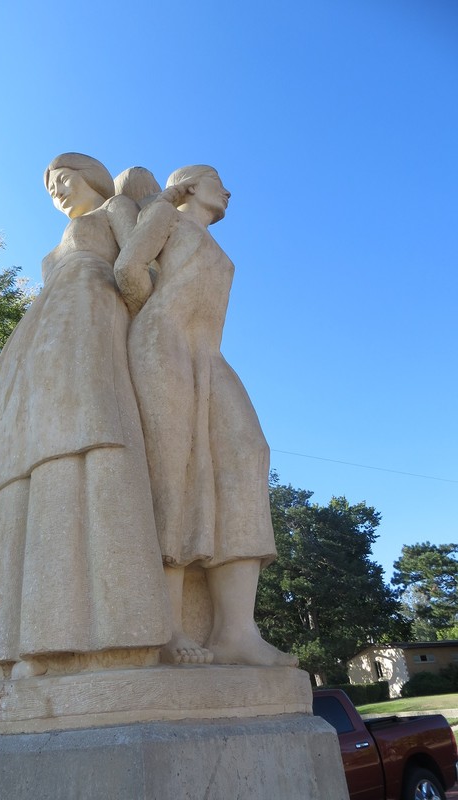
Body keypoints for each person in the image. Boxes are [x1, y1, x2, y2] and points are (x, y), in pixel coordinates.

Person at [0, 154, 170, 688]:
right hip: (38, 335)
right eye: (50, 189)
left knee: (88, 436)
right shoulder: (59, 243)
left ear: (88, 175)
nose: (59, 192)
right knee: (25, 459)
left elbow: (143, 268)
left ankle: (109, 627)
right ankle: (17, 638)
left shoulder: (113, 207)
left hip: (90, 314)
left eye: (63, 180)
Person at [114, 165, 297, 667]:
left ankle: (235, 631)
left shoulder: (209, 240)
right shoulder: (164, 218)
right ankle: (169, 628)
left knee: (246, 453)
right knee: (175, 473)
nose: (229, 190)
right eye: (218, 180)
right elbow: (128, 268)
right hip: (163, 345)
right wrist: (156, 316)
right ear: (191, 185)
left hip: (208, 357)